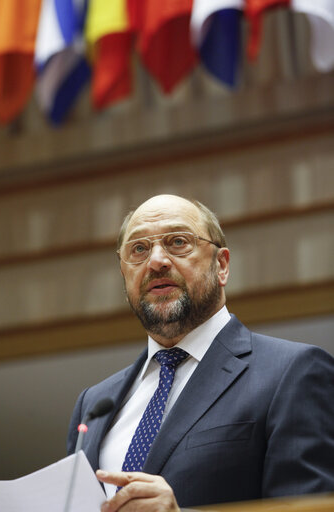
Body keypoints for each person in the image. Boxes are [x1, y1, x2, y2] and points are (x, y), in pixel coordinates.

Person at [67, 194, 334, 512]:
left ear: (221, 265)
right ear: (124, 273)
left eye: (178, 242)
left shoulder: (293, 372)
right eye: (138, 249)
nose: (156, 261)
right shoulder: (94, 404)